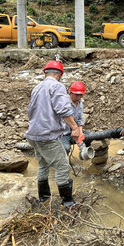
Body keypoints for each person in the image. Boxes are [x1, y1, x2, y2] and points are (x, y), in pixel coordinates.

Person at [25, 60, 81, 208]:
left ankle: (44, 199)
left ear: (45, 73)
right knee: (63, 167)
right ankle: (68, 203)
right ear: (60, 75)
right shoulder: (57, 86)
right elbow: (63, 109)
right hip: (47, 136)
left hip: (33, 135)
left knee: (43, 165)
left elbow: (30, 111)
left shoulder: (37, 87)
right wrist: (74, 127)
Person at [60, 81, 86, 154]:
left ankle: (84, 154)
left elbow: (80, 119)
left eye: (81, 95)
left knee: (90, 137)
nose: (79, 97)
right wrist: (74, 129)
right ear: (71, 93)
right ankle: (63, 160)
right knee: (66, 148)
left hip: (74, 131)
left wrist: (80, 132)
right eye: (76, 95)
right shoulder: (64, 103)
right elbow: (65, 118)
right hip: (63, 133)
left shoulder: (80, 103)